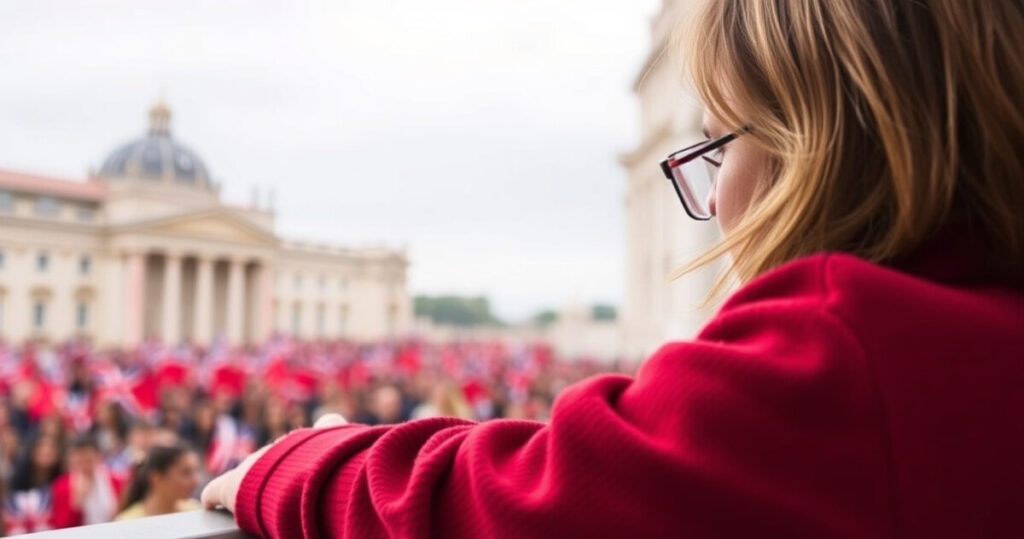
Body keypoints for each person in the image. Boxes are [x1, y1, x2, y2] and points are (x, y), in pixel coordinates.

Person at [202, 1, 1024, 537]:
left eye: (716, 144)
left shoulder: (839, 343)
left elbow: (498, 504)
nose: (713, 199)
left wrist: (297, 462)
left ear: (813, 147)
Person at [50, 434, 124, 528]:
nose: (84, 467)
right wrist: (77, 503)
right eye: (78, 463)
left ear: (98, 457)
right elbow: (60, 527)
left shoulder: (117, 481)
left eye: (89, 461)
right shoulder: (61, 486)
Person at [114, 443, 201, 521]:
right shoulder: (127, 523)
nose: (196, 481)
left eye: (196, 471)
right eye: (185, 473)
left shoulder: (197, 512)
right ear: (156, 478)